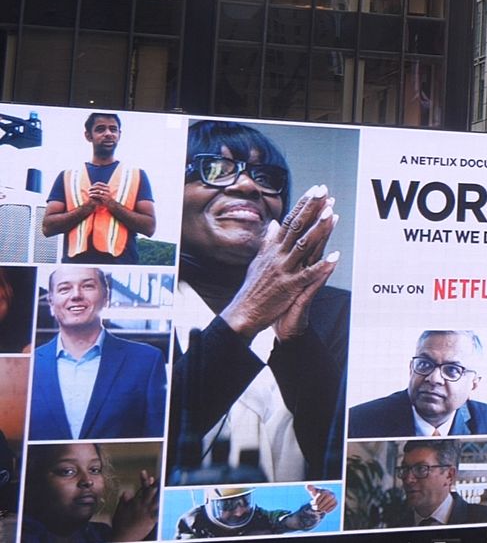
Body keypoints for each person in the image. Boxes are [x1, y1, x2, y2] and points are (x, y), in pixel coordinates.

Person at [170, 121, 348, 483]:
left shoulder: (338, 312)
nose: (248, 186)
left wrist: (297, 344)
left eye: (265, 177)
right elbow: (143, 439)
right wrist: (245, 315)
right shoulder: (123, 308)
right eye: (215, 169)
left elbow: (347, 456)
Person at [30, 267, 167, 440]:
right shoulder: (28, 364)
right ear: (51, 303)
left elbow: (156, 441)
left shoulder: (147, 361)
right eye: (64, 288)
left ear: (105, 298)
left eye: (87, 286)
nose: (76, 295)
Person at [41, 114, 157, 265]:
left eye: (113, 129)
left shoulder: (136, 175)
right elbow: (48, 227)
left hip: (122, 265)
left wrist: (111, 204)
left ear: (119, 135)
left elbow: (149, 227)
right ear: (88, 136)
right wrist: (87, 207)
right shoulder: (68, 176)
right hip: (75, 266)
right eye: (101, 129)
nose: (108, 133)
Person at [347, 330, 487, 438]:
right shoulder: (359, 421)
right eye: (424, 364)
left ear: (473, 384)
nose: (434, 378)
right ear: (411, 369)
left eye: (452, 370)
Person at [20, 443, 158, 543]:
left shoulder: (99, 534)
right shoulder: (21, 534)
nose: (87, 481)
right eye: (67, 471)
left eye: (94, 470)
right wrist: (125, 537)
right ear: (32, 480)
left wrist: (148, 526)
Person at [379, 441, 487, 527]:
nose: (408, 479)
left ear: (449, 475)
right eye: (405, 469)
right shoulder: (394, 528)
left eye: (421, 469)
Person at [174, 485, 335, 538]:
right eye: (227, 505)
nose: (239, 511)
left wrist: (316, 508)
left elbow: (295, 522)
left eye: (244, 501)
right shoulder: (193, 523)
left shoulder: (262, 517)